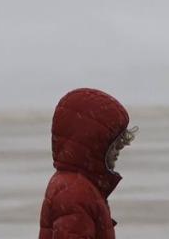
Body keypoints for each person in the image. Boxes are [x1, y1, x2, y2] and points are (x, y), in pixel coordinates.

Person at [39, 88, 137, 239]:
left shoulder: (80, 185)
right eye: (114, 145)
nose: (118, 152)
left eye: (120, 145)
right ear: (93, 144)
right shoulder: (75, 193)